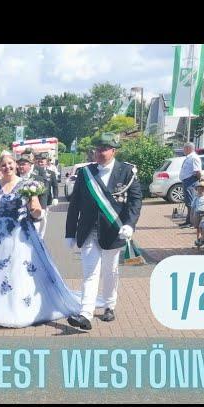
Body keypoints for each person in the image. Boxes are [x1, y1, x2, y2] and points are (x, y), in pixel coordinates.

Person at [0, 152, 102, 328]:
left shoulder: (26, 185)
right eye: (3, 165)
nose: (7, 167)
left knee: (19, 272)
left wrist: (38, 212)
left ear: (16, 165)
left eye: (10, 164)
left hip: (20, 234)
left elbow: (35, 209)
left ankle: (17, 309)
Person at [64, 133, 142, 331]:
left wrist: (130, 224)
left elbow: (135, 201)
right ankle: (85, 314)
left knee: (110, 272)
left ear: (113, 151)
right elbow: (75, 205)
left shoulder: (127, 171)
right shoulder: (85, 172)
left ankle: (109, 305)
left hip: (113, 230)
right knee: (90, 273)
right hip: (88, 230)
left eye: (104, 149)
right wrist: (70, 232)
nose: (99, 152)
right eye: (97, 149)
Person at [16, 149, 49, 239]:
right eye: (19, 164)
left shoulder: (38, 179)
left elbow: (43, 194)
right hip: (18, 217)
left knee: (33, 240)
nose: (21, 167)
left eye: (23, 164)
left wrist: (42, 209)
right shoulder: (15, 179)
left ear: (30, 166)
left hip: (34, 216)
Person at [178, 143, 202, 228]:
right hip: (186, 181)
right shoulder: (189, 158)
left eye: (184, 148)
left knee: (191, 202)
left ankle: (192, 222)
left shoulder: (194, 158)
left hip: (191, 181)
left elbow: (197, 171)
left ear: (188, 148)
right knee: (188, 202)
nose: (183, 150)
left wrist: (199, 181)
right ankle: (188, 221)